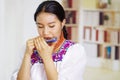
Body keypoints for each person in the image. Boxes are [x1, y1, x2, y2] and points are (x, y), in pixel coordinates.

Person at [11, 1, 86, 80]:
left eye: (51, 26)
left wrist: (46, 57)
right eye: (40, 26)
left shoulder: (75, 51)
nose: (45, 32)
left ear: (62, 23)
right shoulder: (28, 49)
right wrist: (27, 54)